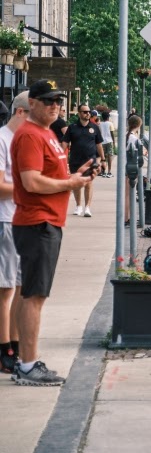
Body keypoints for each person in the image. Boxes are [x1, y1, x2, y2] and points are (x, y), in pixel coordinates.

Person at [10, 80, 94, 385]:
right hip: (37, 222)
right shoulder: (31, 135)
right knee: (34, 295)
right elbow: (31, 181)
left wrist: (74, 176)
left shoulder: (47, 133)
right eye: (48, 101)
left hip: (45, 222)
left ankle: (26, 359)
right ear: (31, 104)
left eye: (58, 101)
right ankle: (29, 365)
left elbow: (49, 176)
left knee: (31, 292)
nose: (54, 106)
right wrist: (69, 185)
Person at [0, 92, 29, 374]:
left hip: (21, 221)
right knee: (6, 288)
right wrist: (30, 187)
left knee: (21, 286)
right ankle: (5, 348)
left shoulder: (23, 140)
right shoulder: (2, 139)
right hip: (5, 220)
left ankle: (15, 344)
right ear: (20, 112)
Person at [62, 104, 105, 218]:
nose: (87, 114)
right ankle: (78, 206)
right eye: (85, 112)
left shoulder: (94, 127)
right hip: (75, 160)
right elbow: (65, 143)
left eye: (89, 111)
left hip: (90, 160)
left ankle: (87, 207)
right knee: (76, 184)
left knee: (88, 183)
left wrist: (103, 159)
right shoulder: (72, 127)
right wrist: (60, 157)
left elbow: (99, 144)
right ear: (79, 113)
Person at [124, 115, 146, 227]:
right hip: (131, 167)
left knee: (127, 194)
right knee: (130, 194)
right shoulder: (134, 138)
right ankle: (129, 218)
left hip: (126, 167)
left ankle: (126, 217)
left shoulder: (127, 136)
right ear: (139, 125)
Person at [99, 108, 114, 178]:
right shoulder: (110, 124)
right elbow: (112, 133)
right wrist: (113, 142)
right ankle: (109, 171)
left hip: (102, 142)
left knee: (103, 157)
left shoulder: (100, 124)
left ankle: (103, 171)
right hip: (109, 141)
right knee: (110, 156)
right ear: (108, 117)